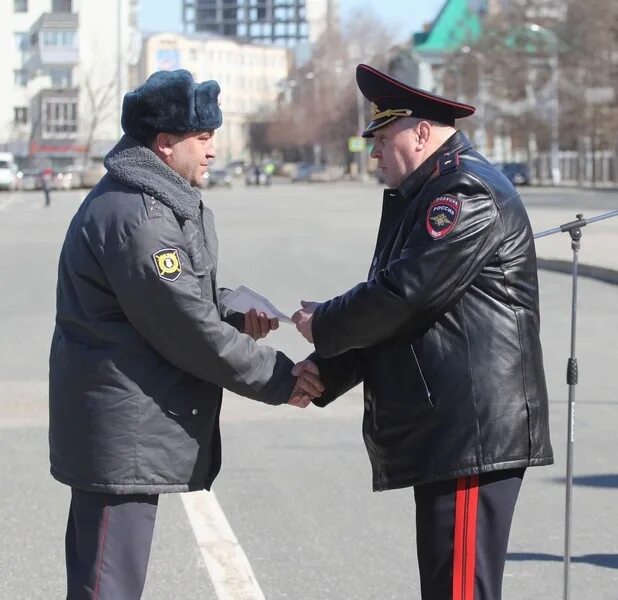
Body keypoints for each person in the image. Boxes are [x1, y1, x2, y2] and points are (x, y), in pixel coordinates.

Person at [49, 69, 323, 600]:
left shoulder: (150, 200)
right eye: (203, 138)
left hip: (120, 420)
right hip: (119, 426)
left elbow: (181, 301)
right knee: (107, 584)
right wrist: (283, 378)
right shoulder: (140, 217)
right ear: (165, 144)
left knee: (103, 579)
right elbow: (186, 328)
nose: (213, 151)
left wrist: (237, 314)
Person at [292, 63, 553, 600]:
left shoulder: (463, 192)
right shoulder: (429, 193)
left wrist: (324, 324)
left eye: (383, 139)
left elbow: (405, 296)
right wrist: (325, 372)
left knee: (458, 591)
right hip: (454, 430)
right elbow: (403, 312)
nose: (374, 154)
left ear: (422, 132)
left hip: (471, 430)